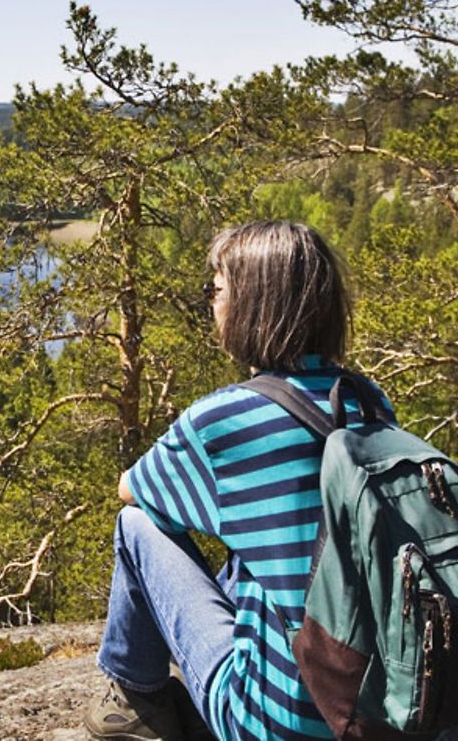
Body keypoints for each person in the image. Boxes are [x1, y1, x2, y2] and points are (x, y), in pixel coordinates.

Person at [85, 221, 390, 741]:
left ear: (252, 302)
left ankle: (137, 699)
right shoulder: (367, 400)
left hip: (275, 723)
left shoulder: (225, 419)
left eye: (216, 289)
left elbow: (131, 489)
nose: (210, 302)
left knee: (136, 525)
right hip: (380, 710)